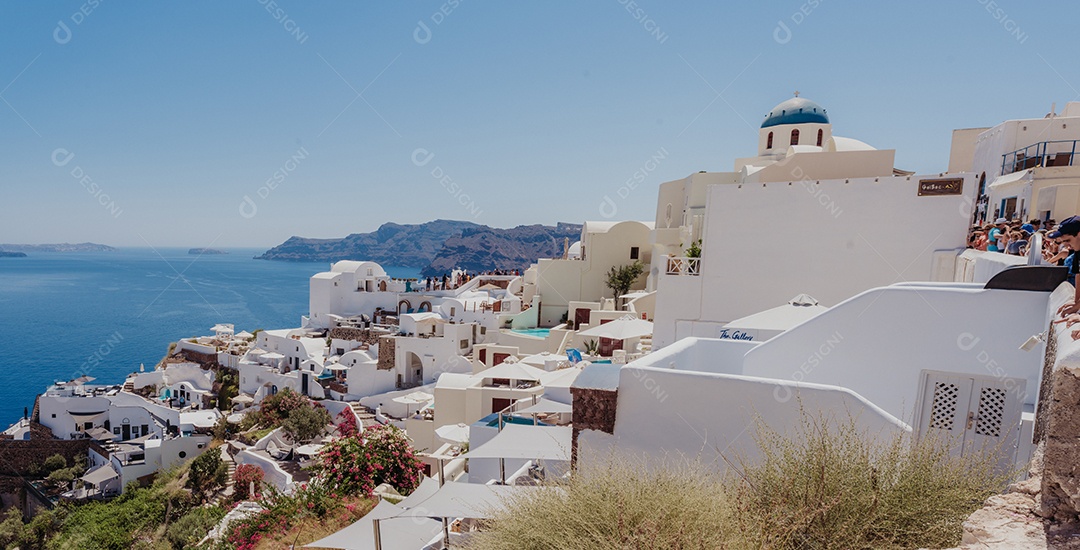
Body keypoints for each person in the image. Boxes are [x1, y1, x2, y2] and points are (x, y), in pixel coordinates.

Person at [1052, 216, 1080, 317]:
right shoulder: (1077, 250)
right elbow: (1078, 275)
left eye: (1068, 240)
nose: (1067, 246)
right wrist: (1076, 302)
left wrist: (1077, 308)